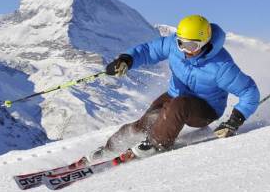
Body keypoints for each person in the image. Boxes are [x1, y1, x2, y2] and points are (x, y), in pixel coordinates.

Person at [86, 14, 260, 163]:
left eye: (191, 46)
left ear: (204, 43)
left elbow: (249, 92)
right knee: (145, 123)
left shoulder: (222, 66)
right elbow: (148, 51)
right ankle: (110, 148)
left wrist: (235, 120)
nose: (184, 50)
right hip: (175, 95)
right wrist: (126, 60)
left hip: (206, 109)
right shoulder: (174, 46)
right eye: (180, 43)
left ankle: (156, 144)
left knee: (180, 105)